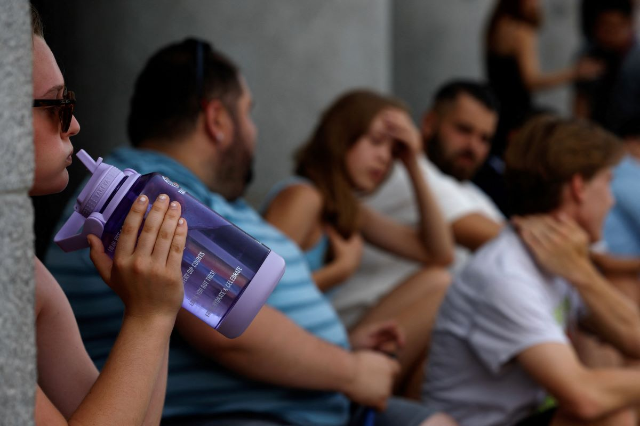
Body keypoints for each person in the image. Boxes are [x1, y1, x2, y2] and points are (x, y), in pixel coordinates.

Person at [45, 38, 456, 426]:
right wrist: (350, 370)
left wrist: (340, 347)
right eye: (249, 111)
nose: (254, 129)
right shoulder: (141, 199)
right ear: (217, 119)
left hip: (306, 401)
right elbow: (225, 319)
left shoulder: (197, 198)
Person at [424, 115, 640, 426]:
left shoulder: (559, 255)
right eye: (607, 182)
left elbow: (634, 339)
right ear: (579, 187)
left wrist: (583, 273)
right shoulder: (505, 275)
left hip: (523, 416)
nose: (611, 199)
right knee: (610, 413)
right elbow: (584, 399)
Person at [29, 6, 187, 425]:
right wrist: (148, 318)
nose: (74, 124)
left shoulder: (28, 277)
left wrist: (156, 309)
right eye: (58, 104)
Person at [262, 90, 454, 392]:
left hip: (321, 343)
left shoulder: (345, 208)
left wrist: (414, 164)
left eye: (394, 150)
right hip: (283, 357)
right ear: (342, 136)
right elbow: (255, 294)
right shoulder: (303, 196)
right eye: (376, 141)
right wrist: (340, 270)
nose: (384, 157)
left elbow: (439, 254)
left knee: (438, 283)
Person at [331, 81, 503, 332]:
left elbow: (441, 255)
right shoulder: (402, 174)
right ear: (430, 123)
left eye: (485, 138)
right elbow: (509, 243)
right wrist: (339, 270)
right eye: (463, 130)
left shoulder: (464, 189)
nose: (473, 146)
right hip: (344, 331)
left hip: (372, 334)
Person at [485, 0, 602, 156]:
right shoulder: (522, 31)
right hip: (517, 112)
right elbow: (531, 80)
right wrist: (575, 73)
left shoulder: (497, 25)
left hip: (497, 108)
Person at [573, 0, 640, 134]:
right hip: (598, 135)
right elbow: (581, 101)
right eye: (604, 27)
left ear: (629, 24)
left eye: (615, 27)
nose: (609, 33)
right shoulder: (589, 54)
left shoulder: (635, 58)